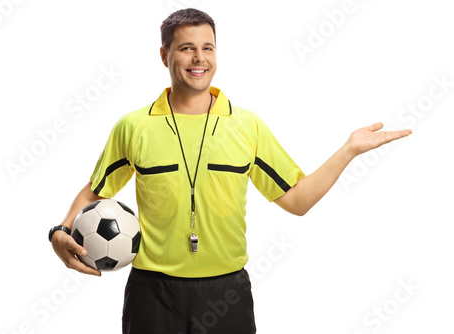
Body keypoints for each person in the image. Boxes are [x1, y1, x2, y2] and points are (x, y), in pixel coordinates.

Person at [49, 8, 412, 334]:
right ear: (165, 55)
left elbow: (298, 201)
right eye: (186, 48)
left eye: (208, 47)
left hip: (226, 294)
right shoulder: (133, 127)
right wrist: (61, 230)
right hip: (152, 293)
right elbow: (95, 191)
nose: (199, 58)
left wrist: (348, 150)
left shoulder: (246, 125)